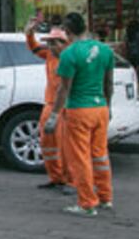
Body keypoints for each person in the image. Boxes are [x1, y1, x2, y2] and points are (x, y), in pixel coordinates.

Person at [46, 12, 115, 217]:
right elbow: (108, 83)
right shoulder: (105, 50)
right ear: (85, 28)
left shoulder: (69, 54)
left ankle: (87, 204)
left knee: (80, 158)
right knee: (100, 156)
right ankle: (105, 198)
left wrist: (54, 115)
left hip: (79, 111)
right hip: (100, 108)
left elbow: (63, 90)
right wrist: (108, 106)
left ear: (66, 32)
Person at [25, 19, 68, 191]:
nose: (50, 46)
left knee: (64, 145)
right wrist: (29, 34)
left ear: (64, 43)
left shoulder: (69, 56)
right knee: (47, 143)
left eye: (53, 42)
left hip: (64, 106)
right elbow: (34, 47)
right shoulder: (50, 54)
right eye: (49, 42)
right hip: (51, 104)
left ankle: (68, 180)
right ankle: (56, 177)